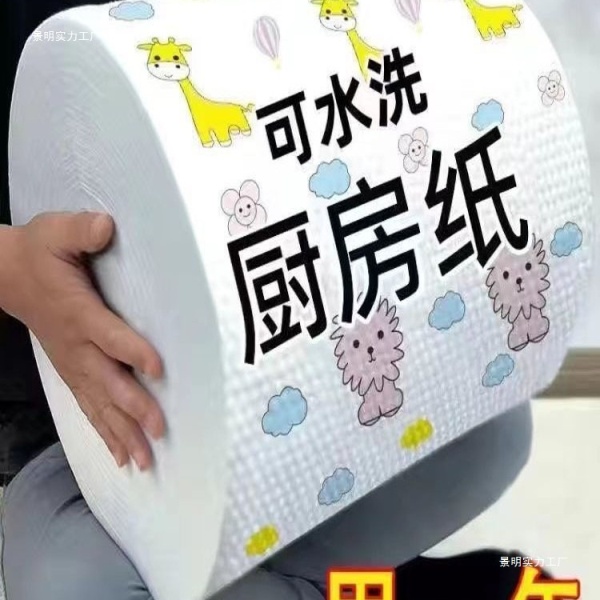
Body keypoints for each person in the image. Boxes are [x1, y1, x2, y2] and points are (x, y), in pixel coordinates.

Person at [0, 2, 539, 599]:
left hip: (276, 374)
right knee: (76, 589)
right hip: (73, 443)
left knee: (492, 429)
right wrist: (14, 271)